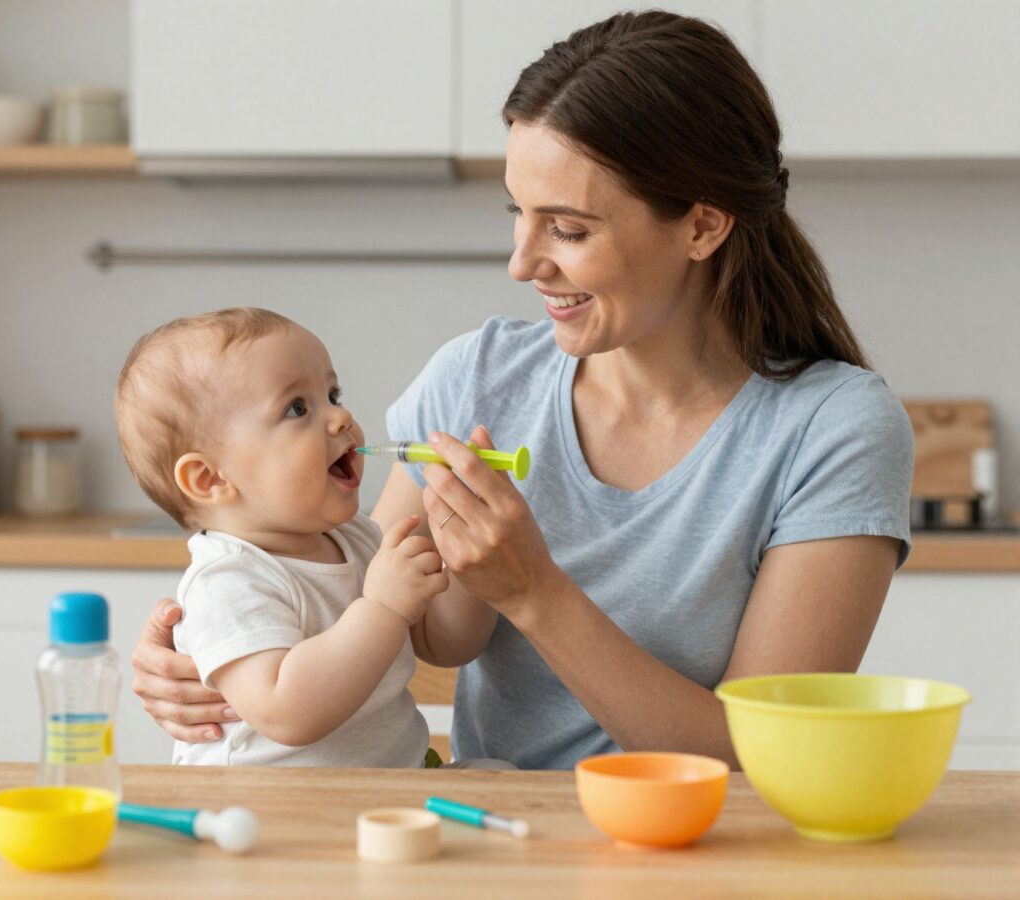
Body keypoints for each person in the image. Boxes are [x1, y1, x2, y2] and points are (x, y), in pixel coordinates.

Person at [129, 11, 913, 770]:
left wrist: (536, 593)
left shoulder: (833, 429)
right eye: (519, 214)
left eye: (568, 229)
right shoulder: (476, 380)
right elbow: (377, 613)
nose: (523, 261)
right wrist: (215, 659)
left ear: (703, 227)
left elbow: (759, 756)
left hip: (708, 848)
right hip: (500, 835)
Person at [115, 308, 499, 767]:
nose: (340, 416)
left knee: (497, 777)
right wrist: (382, 609)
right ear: (210, 478)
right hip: (271, 809)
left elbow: (449, 645)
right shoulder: (227, 580)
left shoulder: (357, 539)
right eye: (297, 407)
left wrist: (473, 560)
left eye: (332, 394)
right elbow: (287, 712)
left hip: (384, 789)